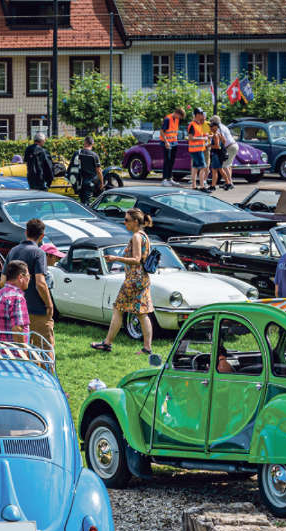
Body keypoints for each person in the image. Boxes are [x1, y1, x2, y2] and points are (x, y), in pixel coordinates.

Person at [93, 208, 156, 354]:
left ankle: (107, 343)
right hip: (143, 278)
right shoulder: (144, 236)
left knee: (118, 309)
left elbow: (136, 259)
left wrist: (115, 258)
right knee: (142, 313)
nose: (124, 222)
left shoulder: (136, 237)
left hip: (134, 279)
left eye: (127, 220)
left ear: (135, 221)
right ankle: (147, 348)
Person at [8, 219, 54, 350]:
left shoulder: (13, 251)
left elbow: (2, 281)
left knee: (22, 348)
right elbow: (40, 283)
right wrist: (49, 305)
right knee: (45, 348)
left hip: (17, 309)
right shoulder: (39, 252)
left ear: (26, 232)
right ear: (42, 236)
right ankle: (47, 371)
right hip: (37, 309)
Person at [0, 261, 30, 344]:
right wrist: (24, 353)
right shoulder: (17, 298)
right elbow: (18, 330)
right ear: (20, 277)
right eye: (28, 275)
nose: (29, 278)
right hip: (12, 354)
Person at [187, 109, 212, 191]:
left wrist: (206, 135)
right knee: (202, 167)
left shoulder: (198, 124)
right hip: (196, 149)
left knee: (195, 167)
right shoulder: (193, 125)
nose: (203, 115)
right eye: (201, 113)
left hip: (198, 149)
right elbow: (191, 138)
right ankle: (202, 187)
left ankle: (194, 186)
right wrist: (203, 138)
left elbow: (199, 135)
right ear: (197, 115)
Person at [159, 107, 184, 186]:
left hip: (174, 142)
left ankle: (169, 178)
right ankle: (164, 180)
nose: (179, 118)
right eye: (179, 116)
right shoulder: (167, 119)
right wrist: (166, 142)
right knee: (167, 161)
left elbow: (174, 131)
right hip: (166, 143)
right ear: (176, 113)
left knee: (172, 161)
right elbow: (162, 131)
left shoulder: (177, 120)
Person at [212, 118, 238, 190]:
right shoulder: (224, 126)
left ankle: (229, 183)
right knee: (228, 165)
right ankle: (229, 182)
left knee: (224, 166)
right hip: (234, 145)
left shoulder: (219, 129)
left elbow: (222, 139)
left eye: (212, 123)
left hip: (229, 146)